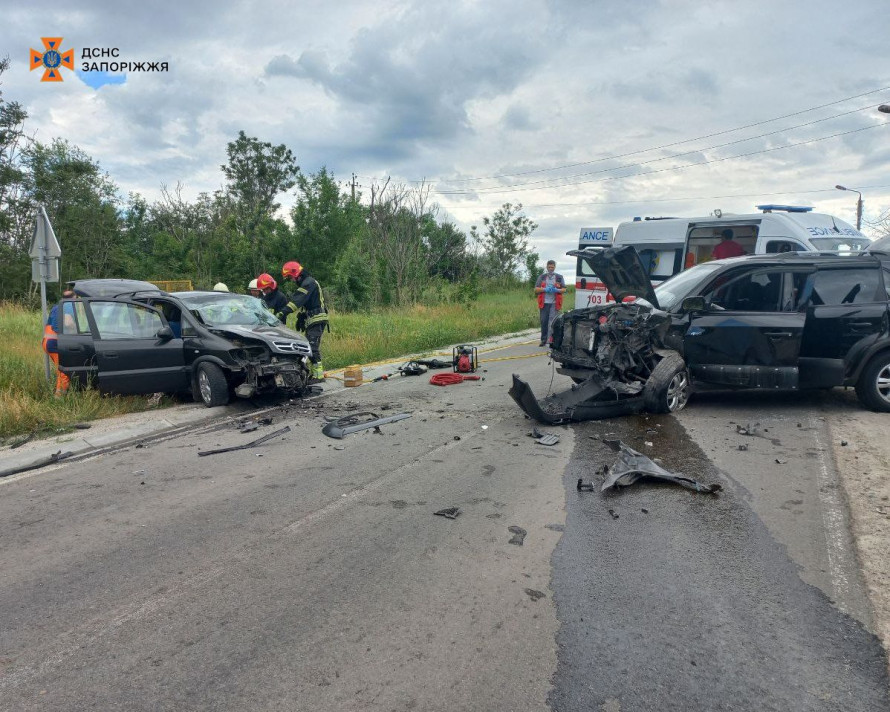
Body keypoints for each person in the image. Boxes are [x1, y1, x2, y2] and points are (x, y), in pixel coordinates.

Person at [279, 261, 330, 381]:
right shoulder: (307, 283)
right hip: (312, 320)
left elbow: (297, 300)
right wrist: (302, 317)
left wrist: (283, 312)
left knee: (312, 347)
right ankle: (314, 374)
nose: (291, 280)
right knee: (309, 346)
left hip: (317, 319)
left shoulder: (309, 283)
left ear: (296, 274)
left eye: (291, 277)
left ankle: (319, 375)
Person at [42, 289, 76, 397]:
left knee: (60, 370)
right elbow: (68, 323)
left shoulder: (57, 306)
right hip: (56, 344)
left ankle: (59, 396)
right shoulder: (68, 305)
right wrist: (76, 333)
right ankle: (59, 399)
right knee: (64, 372)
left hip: (48, 343)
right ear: (74, 298)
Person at [534, 260, 566, 347]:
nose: (551, 269)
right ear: (547, 267)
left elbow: (564, 289)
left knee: (552, 322)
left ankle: (551, 340)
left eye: (552, 267)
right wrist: (545, 289)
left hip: (554, 303)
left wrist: (557, 290)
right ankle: (543, 340)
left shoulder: (559, 277)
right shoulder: (542, 277)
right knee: (544, 321)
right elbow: (536, 289)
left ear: (554, 267)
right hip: (544, 303)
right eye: (549, 267)